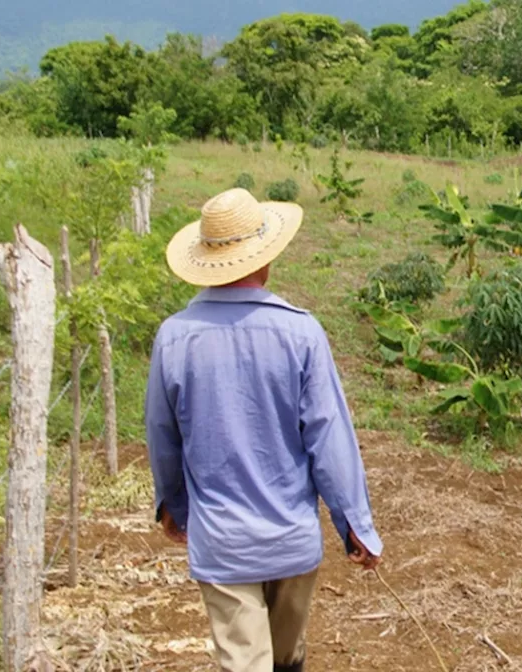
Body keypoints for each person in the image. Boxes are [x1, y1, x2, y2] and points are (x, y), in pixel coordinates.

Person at [146, 188, 383, 672]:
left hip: (221, 540)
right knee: (285, 658)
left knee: (248, 662)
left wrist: (174, 505)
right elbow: (329, 438)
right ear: (267, 257)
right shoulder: (301, 333)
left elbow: (163, 437)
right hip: (291, 540)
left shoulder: (175, 337)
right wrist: (354, 525)